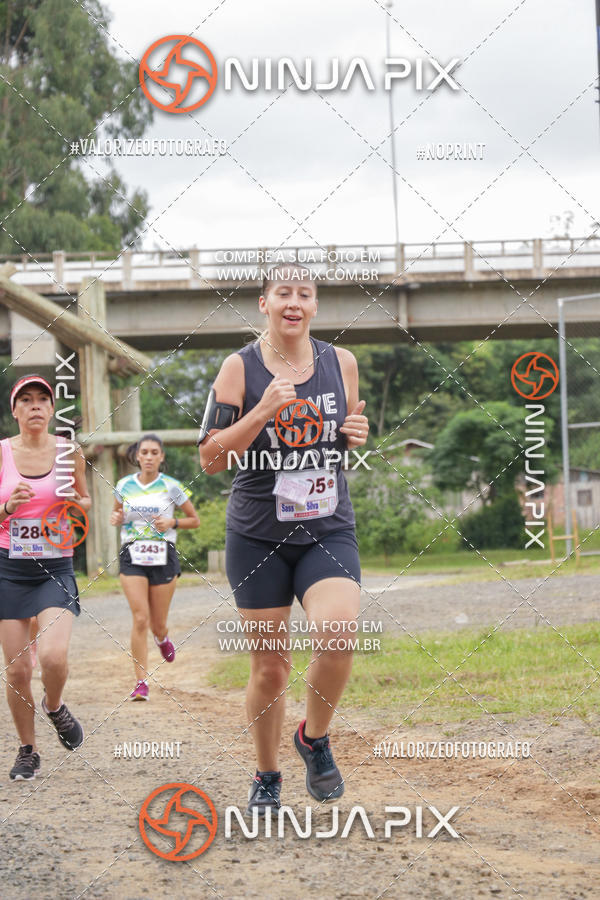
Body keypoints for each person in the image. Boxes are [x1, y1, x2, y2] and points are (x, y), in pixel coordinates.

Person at [198, 263, 369, 815]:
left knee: (339, 634)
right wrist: (263, 411)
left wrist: (356, 435)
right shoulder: (238, 367)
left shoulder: (341, 362)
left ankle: (313, 738)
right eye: (283, 293)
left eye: (305, 294)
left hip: (326, 526)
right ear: (264, 303)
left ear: (314, 306)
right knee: (271, 667)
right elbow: (210, 457)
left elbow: (339, 447)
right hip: (258, 535)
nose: (294, 302)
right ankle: (267, 774)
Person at [0, 374, 91, 781]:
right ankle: (28, 750)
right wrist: (6, 507)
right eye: (27, 400)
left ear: (52, 410)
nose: (35, 406)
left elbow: (86, 501)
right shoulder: (1, 453)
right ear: (14, 410)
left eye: (43, 399)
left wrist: (77, 501)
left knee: (53, 657)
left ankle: (54, 706)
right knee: (18, 670)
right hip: (8, 568)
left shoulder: (70, 452)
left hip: (54, 565)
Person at [111, 434, 200, 700]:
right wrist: (116, 517)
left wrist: (172, 524)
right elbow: (117, 515)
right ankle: (141, 682)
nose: (149, 457)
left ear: (162, 457)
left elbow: (194, 520)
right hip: (133, 553)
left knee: (157, 624)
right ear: (137, 456)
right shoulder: (124, 485)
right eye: (144, 452)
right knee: (140, 618)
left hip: (163, 555)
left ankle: (162, 639)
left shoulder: (172, 487)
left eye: (154, 453)